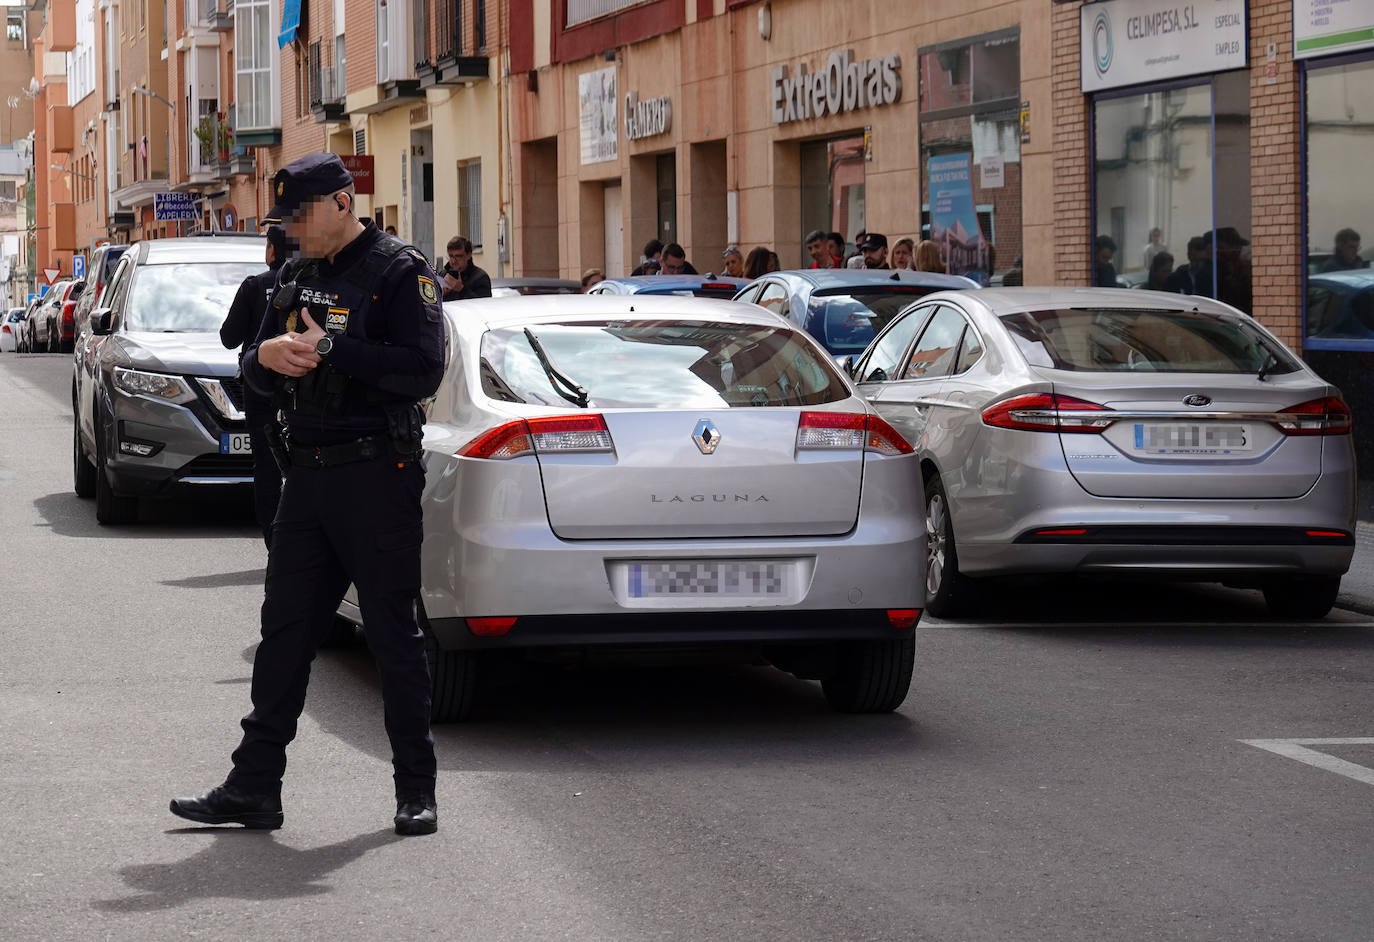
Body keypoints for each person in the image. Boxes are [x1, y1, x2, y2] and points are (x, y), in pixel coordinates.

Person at [170, 153, 446, 836]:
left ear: (343, 203)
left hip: (378, 476)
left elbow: (422, 371)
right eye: (284, 219)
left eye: (302, 215)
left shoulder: (397, 271)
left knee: (393, 636)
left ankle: (416, 789)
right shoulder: (294, 275)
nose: (291, 230)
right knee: (284, 635)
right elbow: (254, 368)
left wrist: (332, 352)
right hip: (308, 479)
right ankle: (254, 786)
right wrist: (260, 360)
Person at [219, 224, 290, 545]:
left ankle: (274, 538)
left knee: (266, 464)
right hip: (302, 388)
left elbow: (228, 337)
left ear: (272, 251)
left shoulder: (254, 286)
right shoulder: (312, 284)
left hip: (261, 388)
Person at [441, 236, 491, 300]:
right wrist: (440, 293)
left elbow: (484, 305)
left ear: (469, 255)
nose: (453, 261)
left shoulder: (480, 277)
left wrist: (461, 289)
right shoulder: (443, 274)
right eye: (451, 256)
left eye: (458, 256)